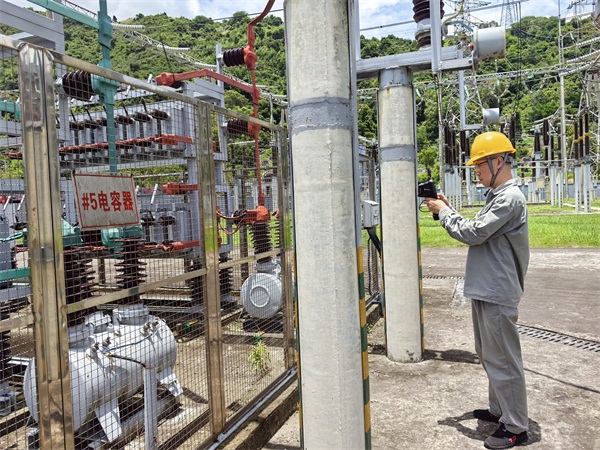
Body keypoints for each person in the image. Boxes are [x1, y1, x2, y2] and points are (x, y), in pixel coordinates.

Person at [424, 131, 529, 449]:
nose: (477, 171)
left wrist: (444, 212)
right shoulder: (497, 197)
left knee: (504, 360)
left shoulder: (510, 198)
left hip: (497, 290)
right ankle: (500, 410)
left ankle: (515, 426)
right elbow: (478, 229)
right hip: (487, 288)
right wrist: (447, 209)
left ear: (498, 161)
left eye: (480, 165)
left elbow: (473, 233)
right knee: (489, 355)